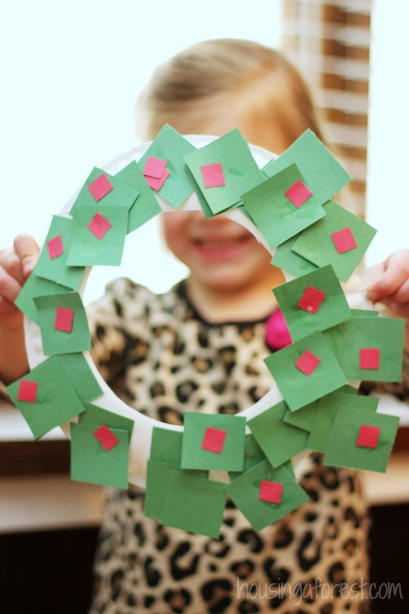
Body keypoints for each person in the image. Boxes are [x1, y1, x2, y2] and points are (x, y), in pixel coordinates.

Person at [1, 39, 409, 613]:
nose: (207, 210)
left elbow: (405, 372)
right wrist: (15, 332)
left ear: (298, 193)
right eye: (180, 185)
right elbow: (55, 371)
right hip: (147, 600)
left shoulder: (344, 316)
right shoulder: (132, 313)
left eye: (231, 184)